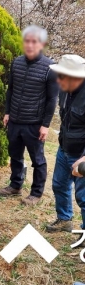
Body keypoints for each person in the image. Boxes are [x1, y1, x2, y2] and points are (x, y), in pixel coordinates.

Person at [0, 25, 59, 205]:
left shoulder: (50, 68)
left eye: (34, 42)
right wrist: (7, 112)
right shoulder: (16, 63)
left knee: (37, 160)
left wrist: (45, 125)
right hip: (15, 120)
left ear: (41, 44)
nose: (30, 45)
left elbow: (52, 99)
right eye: (27, 42)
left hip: (34, 123)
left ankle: (36, 193)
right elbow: (10, 91)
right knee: (15, 155)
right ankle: (15, 185)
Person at [45, 55, 85, 246]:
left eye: (62, 77)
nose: (58, 81)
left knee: (84, 198)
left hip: (82, 155)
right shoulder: (65, 91)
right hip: (65, 148)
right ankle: (65, 219)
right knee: (59, 185)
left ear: (75, 77)